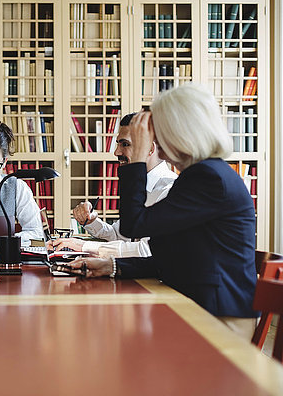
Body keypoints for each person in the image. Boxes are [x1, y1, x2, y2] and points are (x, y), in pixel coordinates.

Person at [67, 84, 258, 337]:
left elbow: (134, 225)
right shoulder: (198, 175)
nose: (154, 141)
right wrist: (112, 266)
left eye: (158, 132)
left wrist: (137, 159)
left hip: (219, 316)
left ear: (180, 132)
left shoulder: (208, 177)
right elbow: (172, 257)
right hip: (199, 303)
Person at [50, 113, 178, 258]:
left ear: (150, 149)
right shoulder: (136, 183)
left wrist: (84, 246)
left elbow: (146, 250)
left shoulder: (170, 190)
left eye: (125, 144)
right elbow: (120, 236)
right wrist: (91, 221)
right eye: (118, 144)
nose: (116, 152)